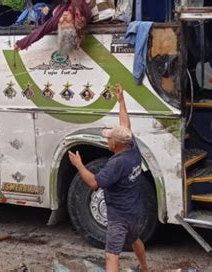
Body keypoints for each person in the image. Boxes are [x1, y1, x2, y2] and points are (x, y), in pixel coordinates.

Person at [68, 83, 149, 272]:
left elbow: (93, 182)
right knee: (135, 240)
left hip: (119, 217)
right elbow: (125, 125)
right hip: (135, 212)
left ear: (115, 146)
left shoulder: (116, 164)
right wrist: (121, 100)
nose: (107, 139)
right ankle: (145, 269)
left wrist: (79, 165)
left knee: (111, 254)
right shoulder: (132, 148)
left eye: (109, 138)